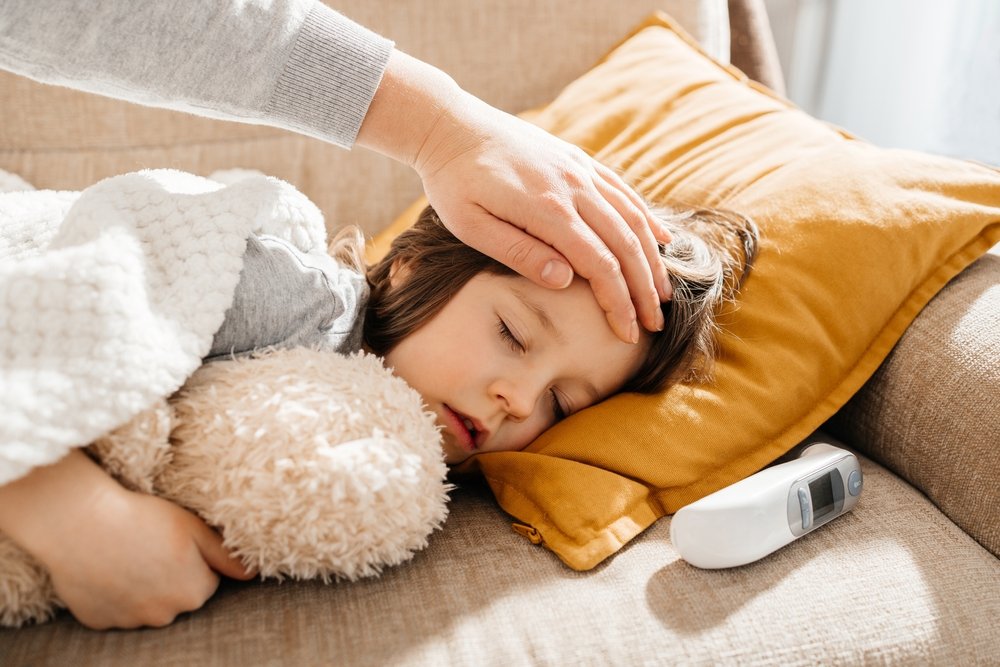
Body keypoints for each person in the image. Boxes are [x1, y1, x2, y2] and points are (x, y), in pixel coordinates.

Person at [0, 193, 757, 630]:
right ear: (415, 264)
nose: (521, 401)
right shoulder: (289, 297)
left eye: (563, 401)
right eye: (513, 334)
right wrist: (75, 514)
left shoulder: (409, 464)